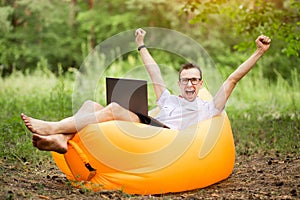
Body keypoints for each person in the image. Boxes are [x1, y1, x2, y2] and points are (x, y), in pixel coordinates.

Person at [21, 28, 271, 154]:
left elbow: (233, 79)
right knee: (89, 104)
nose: (190, 84)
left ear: (201, 83)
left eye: (195, 80)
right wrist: (140, 45)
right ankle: (62, 140)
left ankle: (54, 127)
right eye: (185, 80)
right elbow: (154, 72)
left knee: (116, 108)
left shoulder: (209, 107)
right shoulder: (169, 99)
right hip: (148, 124)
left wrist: (258, 52)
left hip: (163, 136)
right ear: (179, 84)